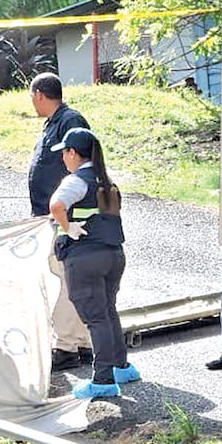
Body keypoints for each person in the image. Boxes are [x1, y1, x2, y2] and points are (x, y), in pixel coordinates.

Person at [48, 127, 135, 399]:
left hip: (85, 258)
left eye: (64, 152)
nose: (63, 157)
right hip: (113, 255)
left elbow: (56, 206)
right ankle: (122, 366)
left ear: (73, 153)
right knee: (108, 311)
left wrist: (68, 227)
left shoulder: (76, 181)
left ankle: (103, 380)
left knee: (95, 318)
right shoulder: (107, 181)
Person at [27, 73, 92, 371]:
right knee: (62, 277)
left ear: (39, 94)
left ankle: (68, 344)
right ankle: (79, 341)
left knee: (67, 280)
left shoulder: (70, 120)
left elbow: (80, 161)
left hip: (65, 214)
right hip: (50, 213)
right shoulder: (54, 122)